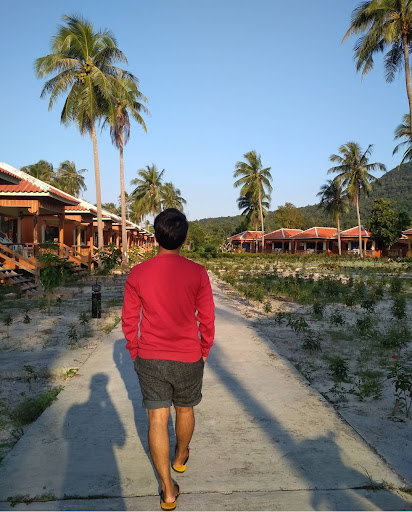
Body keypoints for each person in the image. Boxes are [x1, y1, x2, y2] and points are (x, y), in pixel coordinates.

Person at [122, 208, 215, 511]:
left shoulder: (138, 273)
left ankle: (167, 490)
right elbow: (207, 318)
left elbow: (129, 319)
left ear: (156, 236)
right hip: (188, 356)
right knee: (185, 409)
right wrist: (204, 349)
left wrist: (135, 350)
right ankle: (180, 456)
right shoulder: (197, 273)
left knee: (156, 420)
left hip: (150, 357)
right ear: (183, 239)